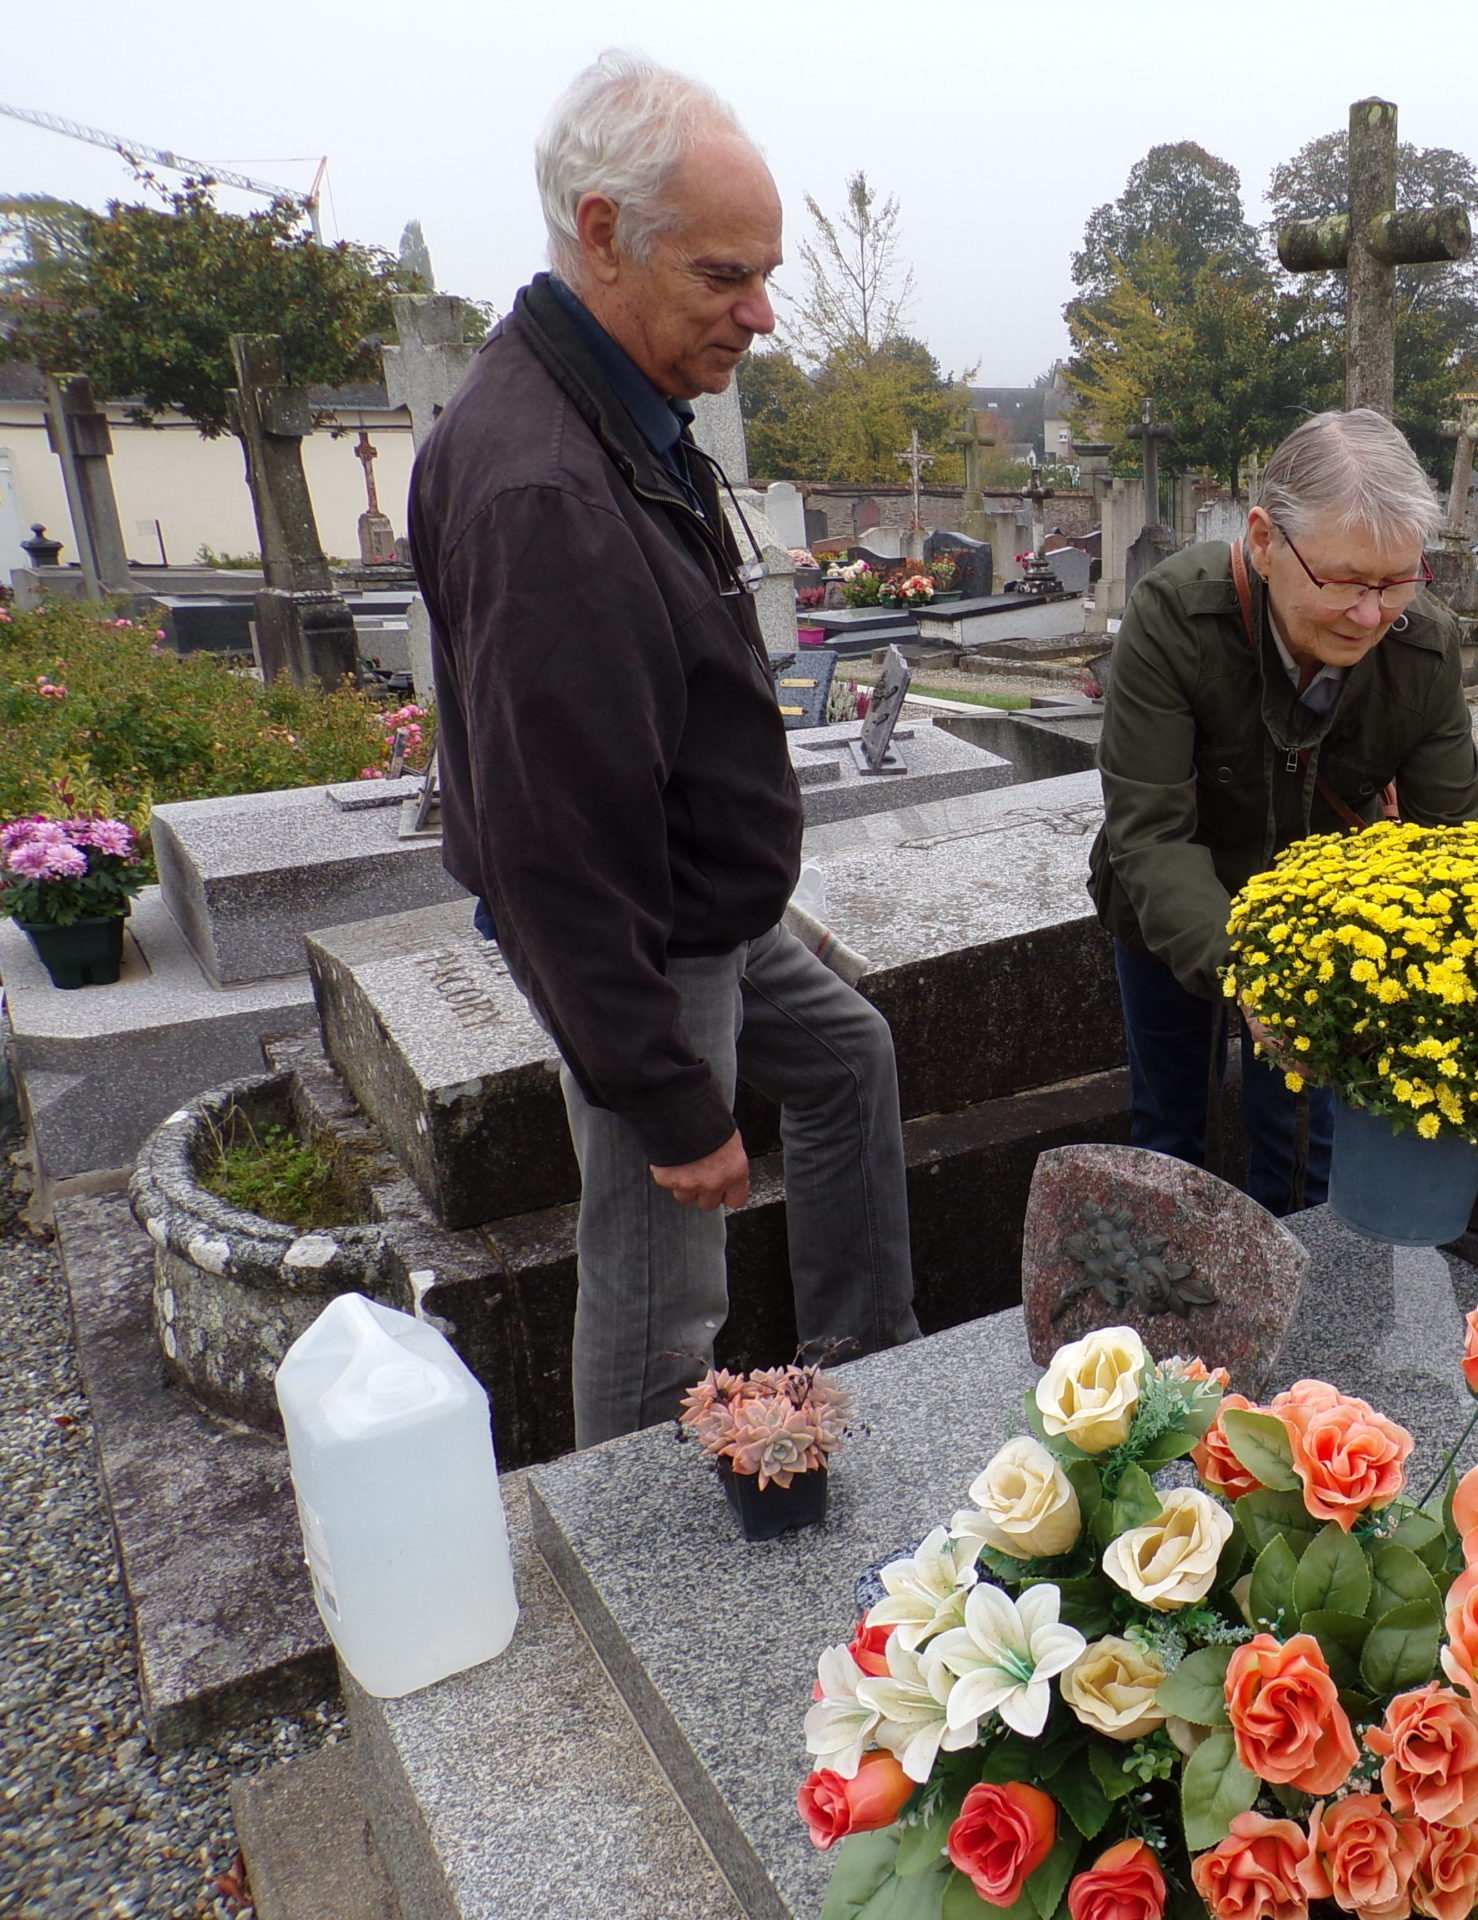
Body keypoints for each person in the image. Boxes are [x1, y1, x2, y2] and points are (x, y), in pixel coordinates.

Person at [410, 51, 918, 1447]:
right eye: (721, 277)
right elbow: (550, 850)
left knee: (847, 1057)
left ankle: (865, 1363)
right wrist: (667, 1095)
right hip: (644, 940)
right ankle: (639, 1558)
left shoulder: (607, 408)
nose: (758, 313)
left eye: (763, 274)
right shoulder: (542, 487)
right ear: (601, 234)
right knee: (661, 1286)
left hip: (703, 903)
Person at [1089, 409, 1478, 1214]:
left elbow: (1458, 844)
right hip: (1167, 908)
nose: (1371, 615)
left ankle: (1306, 1307)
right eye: (1343, 582)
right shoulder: (1176, 615)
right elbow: (1152, 831)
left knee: (1307, 1144)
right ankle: (1171, 1310)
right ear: (1265, 541)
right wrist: (1252, 976)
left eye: (1396, 581)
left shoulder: (1423, 646)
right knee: (1170, 1131)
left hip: (1327, 924)